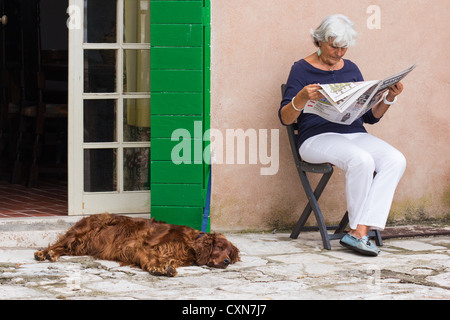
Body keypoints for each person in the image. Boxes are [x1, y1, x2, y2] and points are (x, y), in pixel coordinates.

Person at [279, 14, 406, 256]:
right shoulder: (300, 69)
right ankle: (359, 234)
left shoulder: (352, 68)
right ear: (319, 41)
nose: (339, 53)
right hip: (315, 139)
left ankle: (360, 231)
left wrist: (389, 97)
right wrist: (301, 98)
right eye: (333, 46)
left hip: (353, 133)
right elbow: (285, 118)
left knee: (396, 159)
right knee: (361, 160)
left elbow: (369, 117)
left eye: (343, 47)